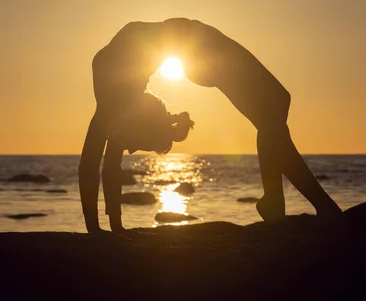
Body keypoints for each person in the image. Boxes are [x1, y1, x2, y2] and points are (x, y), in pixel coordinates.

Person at [80, 18, 340, 230]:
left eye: (136, 146)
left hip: (202, 48)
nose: (132, 151)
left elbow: (91, 163)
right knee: (275, 109)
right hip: (199, 46)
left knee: (275, 108)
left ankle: (282, 201)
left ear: (139, 126)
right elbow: (107, 163)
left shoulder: (112, 102)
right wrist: (113, 228)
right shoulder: (122, 100)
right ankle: (295, 203)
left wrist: (97, 230)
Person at [79, 88, 193, 234]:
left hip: (119, 110)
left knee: (108, 167)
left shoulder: (158, 117)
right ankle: (101, 226)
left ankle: (105, 225)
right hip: (114, 106)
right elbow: (111, 168)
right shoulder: (147, 120)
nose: (133, 150)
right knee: (102, 167)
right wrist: (116, 226)